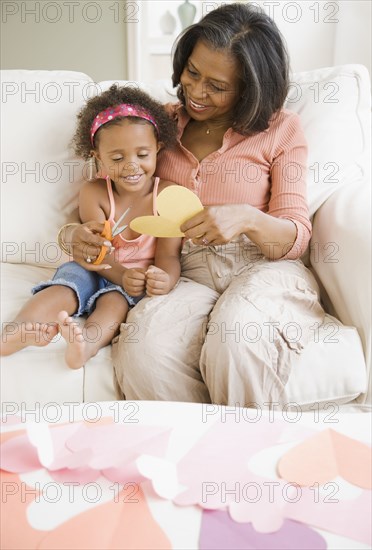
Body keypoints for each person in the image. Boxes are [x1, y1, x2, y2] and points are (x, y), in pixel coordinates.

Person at [56, 3, 326, 405]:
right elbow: (107, 194)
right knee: (142, 352)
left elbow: (295, 236)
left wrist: (248, 218)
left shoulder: (282, 129)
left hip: (263, 265)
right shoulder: (158, 126)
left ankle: (248, 456)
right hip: (185, 269)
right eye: (192, 72)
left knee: (236, 336)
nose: (197, 92)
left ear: (250, 88)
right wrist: (72, 236)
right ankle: (191, 459)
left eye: (217, 86)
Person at [0, 85, 182, 369]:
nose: (131, 166)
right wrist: (120, 273)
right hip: (92, 266)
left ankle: (84, 345)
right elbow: (96, 252)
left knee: (115, 304)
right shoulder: (94, 193)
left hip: (131, 281)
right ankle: (17, 331)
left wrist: (165, 279)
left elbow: (168, 256)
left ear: (158, 147)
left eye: (142, 155)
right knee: (65, 287)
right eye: (118, 158)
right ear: (97, 155)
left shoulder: (168, 196)